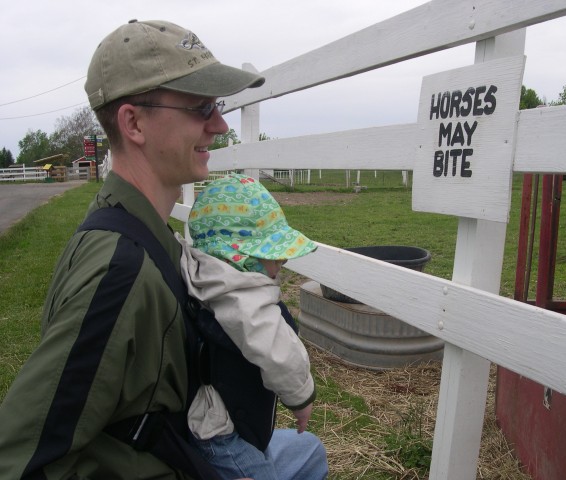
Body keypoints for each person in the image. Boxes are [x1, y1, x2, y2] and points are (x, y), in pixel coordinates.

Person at [0, 19, 326, 480]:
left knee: (308, 451)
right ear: (134, 123)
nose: (219, 125)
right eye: (201, 107)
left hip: (187, 447)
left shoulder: (144, 229)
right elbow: (22, 459)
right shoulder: (120, 272)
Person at [178, 173, 325, 480]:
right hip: (221, 439)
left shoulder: (206, 273)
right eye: (275, 259)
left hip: (221, 423)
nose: (280, 265)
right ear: (244, 259)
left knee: (312, 451)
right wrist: (301, 399)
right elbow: (281, 355)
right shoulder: (244, 299)